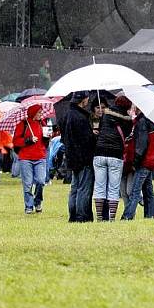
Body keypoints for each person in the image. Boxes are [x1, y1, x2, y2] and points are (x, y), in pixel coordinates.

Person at [91, 95, 132, 220]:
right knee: (114, 188)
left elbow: (102, 128)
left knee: (99, 186)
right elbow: (125, 135)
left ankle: (99, 217)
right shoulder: (127, 120)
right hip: (116, 154)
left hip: (99, 152)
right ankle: (112, 217)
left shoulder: (106, 114)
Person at [61, 91, 96, 222]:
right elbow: (86, 140)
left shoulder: (67, 115)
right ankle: (82, 216)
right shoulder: (81, 117)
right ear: (83, 100)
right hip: (83, 157)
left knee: (74, 188)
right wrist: (94, 135)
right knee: (84, 189)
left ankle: (73, 215)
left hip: (71, 157)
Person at [123, 108, 154, 220]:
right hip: (151, 160)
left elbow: (141, 146)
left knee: (135, 191)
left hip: (144, 161)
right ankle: (151, 215)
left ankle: (127, 216)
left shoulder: (142, 123)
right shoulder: (150, 122)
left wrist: (135, 162)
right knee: (148, 190)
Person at [13, 104, 48, 215]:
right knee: (27, 184)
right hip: (26, 158)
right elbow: (16, 141)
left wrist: (47, 138)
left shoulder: (43, 123)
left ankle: (38, 202)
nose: (41, 115)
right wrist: (28, 140)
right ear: (33, 113)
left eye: (41, 112)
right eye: (39, 113)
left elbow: (45, 143)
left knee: (41, 182)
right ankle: (28, 205)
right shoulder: (23, 124)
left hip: (40, 157)